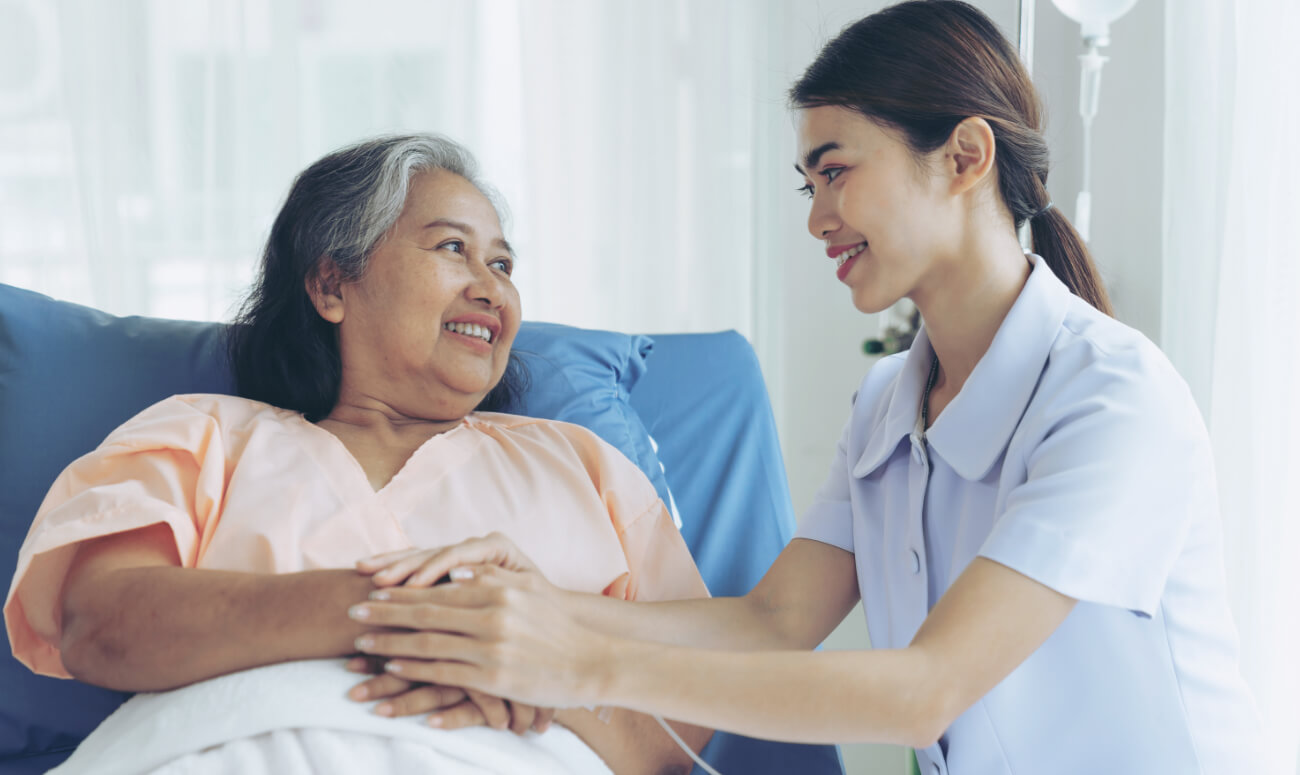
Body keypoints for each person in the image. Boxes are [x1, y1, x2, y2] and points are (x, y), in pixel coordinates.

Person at [335, 4, 1266, 774]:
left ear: (965, 157)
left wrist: (579, 660)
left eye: (836, 172)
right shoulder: (890, 402)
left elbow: (926, 691)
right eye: (807, 184)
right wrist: (540, 604)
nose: (818, 218)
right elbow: (771, 620)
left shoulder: (1110, 400)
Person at [3, 134, 712, 775]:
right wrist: (416, 614)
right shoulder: (202, 435)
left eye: (502, 263)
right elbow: (102, 625)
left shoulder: (580, 465)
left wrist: (544, 680)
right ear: (331, 284)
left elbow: (694, 707)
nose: (492, 286)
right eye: (452, 248)